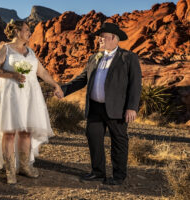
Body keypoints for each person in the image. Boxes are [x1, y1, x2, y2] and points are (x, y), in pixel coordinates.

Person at [0, 20, 63, 184]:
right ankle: (10, 170)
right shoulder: (5, 48)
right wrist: (13, 75)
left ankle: (24, 166)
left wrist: (55, 85)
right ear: (17, 31)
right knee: (9, 132)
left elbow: (42, 72)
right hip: (11, 94)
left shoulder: (30, 52)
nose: (29, 32)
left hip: (30, 94)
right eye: (26, 30)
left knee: (26, 131)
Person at [61, 23, 142, 185]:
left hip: (117, 108)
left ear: (113, 38)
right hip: (95, 107)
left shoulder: (128, 57)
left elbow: (135, 84)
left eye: (103, 36)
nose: (99, 39)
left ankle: (119, 176)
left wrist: (132, 107)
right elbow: (82, 79)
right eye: (99, 37)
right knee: (94, 139)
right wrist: (63, 90)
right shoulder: (94, 57)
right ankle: (98, 172)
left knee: (119, 141)